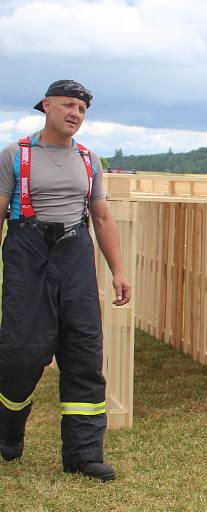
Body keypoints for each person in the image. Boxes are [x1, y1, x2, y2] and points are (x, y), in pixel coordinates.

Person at [0, 80, 131, 482]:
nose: (76, 114)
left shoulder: (90, 160)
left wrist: (118, 270)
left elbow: (102, 217)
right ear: (46, 106)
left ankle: (84, 453)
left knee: (84, 351)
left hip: (74, 252)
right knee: (22, 351)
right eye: (69, 105)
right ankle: (7, 433)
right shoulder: (14, 155)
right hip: (27, 252)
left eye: (83, 109)